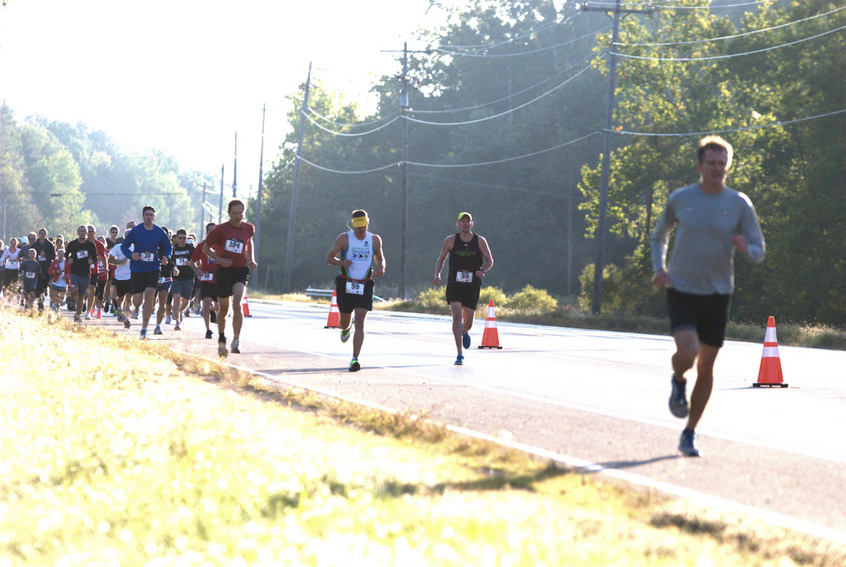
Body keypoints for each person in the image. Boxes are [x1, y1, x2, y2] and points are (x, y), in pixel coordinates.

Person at [651, 136, 765, 458]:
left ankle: (689, 432)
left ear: (728, 167)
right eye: (710, 163)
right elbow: (659, 235)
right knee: (687, 351)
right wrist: (660, 268)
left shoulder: (739, 203)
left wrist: (746, 249)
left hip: (718, 291)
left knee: (707, 367)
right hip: (682, 287)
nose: (717, 169)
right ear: (700, 166)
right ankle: (677, 379)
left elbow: (759, 250)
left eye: (722, 163)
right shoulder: (681, 198)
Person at [325, 209, 386, 372]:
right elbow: (329, 258)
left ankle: (355, 359)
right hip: (346, 283)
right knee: (344, 322)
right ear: (353, 225)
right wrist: (342, 263)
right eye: (358, 227)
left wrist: (381, 267)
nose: (361, 230)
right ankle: (345, 329)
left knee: (360, 320)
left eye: (363, 226)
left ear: (367, 223)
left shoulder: (374, 239)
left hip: (365, 284)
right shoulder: (344, 238)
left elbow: (380, 257)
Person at [433, 212, 494, 366]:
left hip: (472, 285)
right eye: (463, 221)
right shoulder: (450, 240)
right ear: (458, 224)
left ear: (472, 224)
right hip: (455, 283)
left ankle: (465, 331)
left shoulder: (480, 241)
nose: (465, 224)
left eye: (468, 221)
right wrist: (437, 274)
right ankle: (459, 354)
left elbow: (490, 261)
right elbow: (441, 259)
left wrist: (483, 271)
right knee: (456, 314)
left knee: (468, 323)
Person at [203, 199, 257, 357]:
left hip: (240, 269)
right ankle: (221, 337)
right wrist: (220, 260)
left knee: (237, 303)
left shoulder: (248, 228)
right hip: (223, 271)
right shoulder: (220, 230)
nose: (238, 216)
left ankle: (236, 340)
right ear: (229, 213)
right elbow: (206, 248)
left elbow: (249, 242)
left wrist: (251, 259)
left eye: (240, 213)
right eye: (234, 213)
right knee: (223, 308)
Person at [120, 206, 172, 339]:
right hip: (137, 268)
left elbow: (168, 246)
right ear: (142, 216)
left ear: (154, 217)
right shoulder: (136, 231)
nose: (149, 217)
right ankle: (133, 309)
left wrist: (166, 256)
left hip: (153, 267)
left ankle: (144, 328)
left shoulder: (159, 231)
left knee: (150, 295)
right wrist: (131, 255)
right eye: (146, 214)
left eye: (151, 215)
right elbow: (124, 246)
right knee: (137, 301)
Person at [64, 225, 98, 323]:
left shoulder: (90, 245)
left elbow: (95, 257)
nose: (82, 232)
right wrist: (68, 259)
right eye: (81, 231)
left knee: (82, 295)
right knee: (75, 290)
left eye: (84, 231)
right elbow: (66, 254)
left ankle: (77, 315)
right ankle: (71, 298)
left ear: (87, 233)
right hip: (74, 271)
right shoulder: (73, 244)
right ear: (77, 232)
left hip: (86, 273)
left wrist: (92, 260)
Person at [192, 222, 220, 339]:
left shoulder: (221, 246)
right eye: (210, 231)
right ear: (207, 233)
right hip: (206, 278)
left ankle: (212, 311)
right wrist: (197, 269)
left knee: (219, 306)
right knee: (206, 302)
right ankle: (208, 330)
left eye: (215, 231)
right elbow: (192, 261)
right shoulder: (202, 246)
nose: (212, 233)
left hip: (219, 279)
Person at [169, 228, 195, 331]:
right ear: (177, 238)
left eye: (184, 238)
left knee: (186, 302)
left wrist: (191, 263)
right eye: (180, 238)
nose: (182, 240)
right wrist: (172, 267)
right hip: (176, 279)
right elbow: (169, 261)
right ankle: (177, 322)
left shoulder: (191, 249)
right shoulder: (173, 249)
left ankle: (178, 312)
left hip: (188, 278)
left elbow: (197, 262)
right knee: (176, 298)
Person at [108, 231, 133, 326]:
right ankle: (118, 307)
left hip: (131, 276)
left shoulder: (135, 248)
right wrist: (120, 261)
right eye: (128, 236)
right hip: (120, 276)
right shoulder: (118, 247)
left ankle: (127, 318)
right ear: (124, 237)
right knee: (121, 298)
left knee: (129, 297)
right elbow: (110, 260)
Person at [32, 228, 56, 310]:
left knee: (44, 287)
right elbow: (30, 255)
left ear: (46, 235)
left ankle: (45, 297)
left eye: (44, 233)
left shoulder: (49, 245)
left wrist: (45, 255)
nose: (42, 235)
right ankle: (40, 303)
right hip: (37, 268)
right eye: (41, 233)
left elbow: (53, 256)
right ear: (39, 235)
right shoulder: (35, 245)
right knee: (38, 287)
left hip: (46, 268)